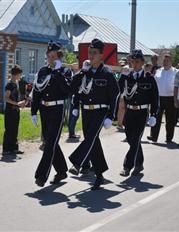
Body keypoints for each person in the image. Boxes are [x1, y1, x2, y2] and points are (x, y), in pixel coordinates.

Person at [68, 39, 120, 190]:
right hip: (86, 111)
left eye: (94, 53)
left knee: (90, 138)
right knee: (92, 141)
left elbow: (115, 95)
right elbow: (74, 88)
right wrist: (81, 72)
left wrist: (111, 115)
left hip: (100, 111)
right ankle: (99, 175)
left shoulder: (107, 73)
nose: (91, 55)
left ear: (101, 55)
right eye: (89, 52)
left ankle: (77, 163)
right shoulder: (86, 72)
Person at [31, 41, 72, 187]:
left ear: (59, 57)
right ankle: (61, 170)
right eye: (49, 56)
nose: (50, 59)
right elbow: (37, 92)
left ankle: (41, 176)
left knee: (49, 144)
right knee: (51, 141)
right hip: (44, 110)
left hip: (57, 110)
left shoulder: (65, 71)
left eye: (53, 56)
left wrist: (57, 73)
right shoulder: (42, 71)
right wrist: (33, 111)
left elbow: (67, 90)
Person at [119, 49, 159, 177]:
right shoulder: (128, 77)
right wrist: (122, 77)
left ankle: (127, 166)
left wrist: (153, 114)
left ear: (142, 62)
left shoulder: (149, 78)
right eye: (132, 62)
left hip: (142, 113)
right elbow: (119, 90)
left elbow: (155, 97)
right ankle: (139, 163)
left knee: (136, 139)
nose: (134, 64)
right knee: (132, 139)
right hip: (130, 112)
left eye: (137, 62)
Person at [148, 54, 177, 143]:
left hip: (171, 98)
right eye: (164, 61)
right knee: (156, 117)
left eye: (167, 61)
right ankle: (154, 136)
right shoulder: (158, 71)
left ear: (171, 62)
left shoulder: (176, 71)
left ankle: (169, 138)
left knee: (170, 120)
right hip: (159, 98)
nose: (165, 62)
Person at [2, 65, 27, 155]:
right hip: (9, 111)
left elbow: (15, 98)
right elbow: (6, 98)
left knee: (15, 129)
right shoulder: (9, 85)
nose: (20, 76)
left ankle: (14, 148)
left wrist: (21, 103)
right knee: (9, 130)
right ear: (15, 74)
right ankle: (6, 150)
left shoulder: (16, 83)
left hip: (16, 110)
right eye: (20, 74)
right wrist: (17, 104)